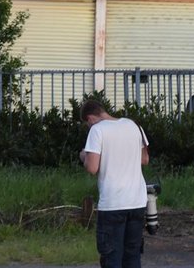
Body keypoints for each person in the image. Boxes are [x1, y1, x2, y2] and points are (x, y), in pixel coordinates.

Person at [80, 98, 150, 268]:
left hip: (113, 205)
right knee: (132, 256)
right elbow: (145, 159)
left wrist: (83, 156)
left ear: (89, 118)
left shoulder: (97, 130)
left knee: (112, 257)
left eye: (87, 124)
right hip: (137, 202)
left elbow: (92, 167)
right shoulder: (133, 125)